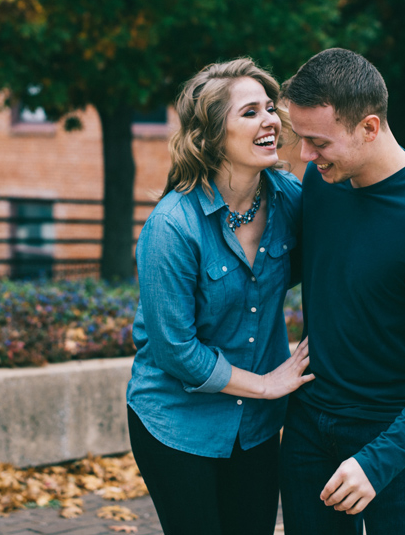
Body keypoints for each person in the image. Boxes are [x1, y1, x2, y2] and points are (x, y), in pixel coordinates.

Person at [279, 48, 405, 535]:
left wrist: (377, 461)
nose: (305, 155)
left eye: (318, 142)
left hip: (394, 439)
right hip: (308, 426)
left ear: (369, 127)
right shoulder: (324, 181)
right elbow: (298, 270)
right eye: (301, 139)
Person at [126, 58, 314, 535]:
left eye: (270, 108)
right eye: (250, 112)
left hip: (254, 428)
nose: (271, 120)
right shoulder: (173, 226)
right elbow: (175, 351)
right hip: (177, 423)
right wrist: (267, 384)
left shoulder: (291, 199)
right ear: (212, 136)